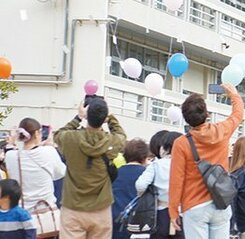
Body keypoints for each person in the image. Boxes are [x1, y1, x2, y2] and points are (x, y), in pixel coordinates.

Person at [169, 84, 243, 239]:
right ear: (206, 114)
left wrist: (173, 210)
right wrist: (234, 95)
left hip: (194, 205)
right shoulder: (221, 131)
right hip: (221, 202)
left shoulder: (181, 143)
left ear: (186, 118)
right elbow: (237, 115)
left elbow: (177, 179)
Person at [55, 98, 126, 239]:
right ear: (104, 118)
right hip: (101, 208)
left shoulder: (71, 138)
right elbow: (121, 135)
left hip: (72, 207)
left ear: (87, 115)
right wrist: (110, 117)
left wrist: (78, 117)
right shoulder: (112, 141)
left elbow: (58, 135)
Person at [5, 119, 66, 213]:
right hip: (46, 210)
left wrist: (11, 142)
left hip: (23, 212)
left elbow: (13, 152)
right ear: (37, 133)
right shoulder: (48, 152)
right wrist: (49, 146)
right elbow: (60, 173)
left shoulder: (11, 156)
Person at [136, 131, 183, 239]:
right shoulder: (187, 166)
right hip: (182, 213)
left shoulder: (156, 164)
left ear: (165, 148)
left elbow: (140, 185)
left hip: (160, 213)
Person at [111, 139, 149, 239]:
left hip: (114, 219)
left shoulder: (115, 173)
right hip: (137, 223)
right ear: (144, 157)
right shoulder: (147, 175)